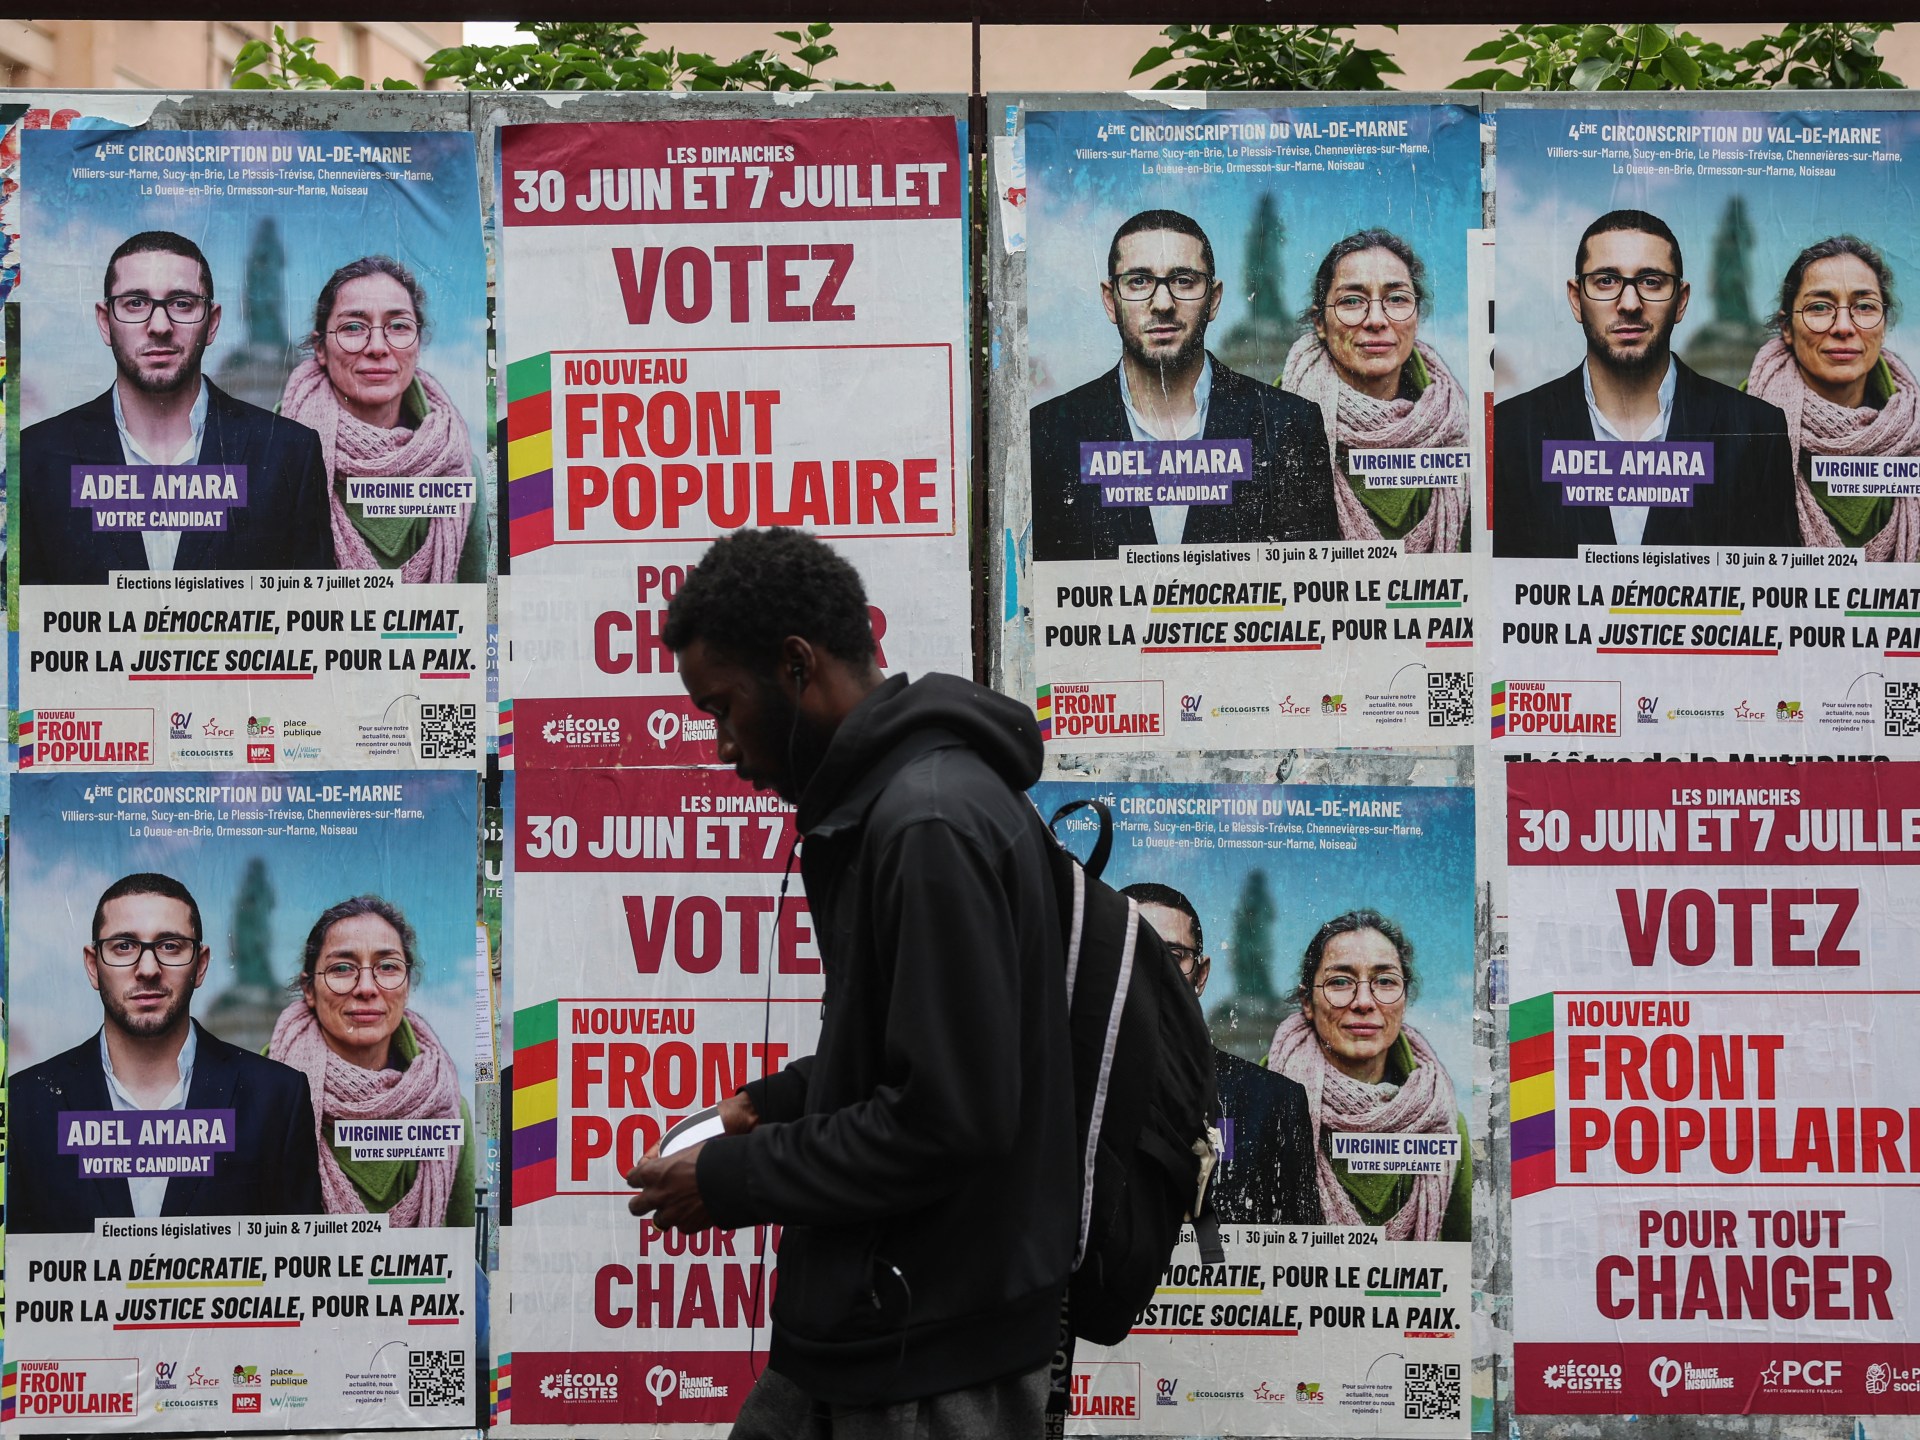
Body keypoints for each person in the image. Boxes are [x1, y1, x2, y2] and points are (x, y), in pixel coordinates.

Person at [629, 527, 1075, 1437]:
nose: (721, 748)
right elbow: (910, 1046)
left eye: (723, 708)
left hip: (933, 1361)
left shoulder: (929, 825)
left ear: (796, 665)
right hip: (876, 1329)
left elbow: (949, 1119)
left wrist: (734, 1178)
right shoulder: (897, 806)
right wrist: (776, 1101)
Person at [9, 873, 324, 1233]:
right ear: (93, 965)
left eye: (171, 946)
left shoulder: (277, 1098)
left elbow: (299, 1265)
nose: (147, 969)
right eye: (123, 946)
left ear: (201, 964)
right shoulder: (26, 1101)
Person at [20, 230, 335, 583]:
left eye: (182, 303)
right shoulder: (35, 458)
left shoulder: (289, 453)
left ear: (212, 322)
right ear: (104, 321)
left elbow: (313, 623)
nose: (159, 326)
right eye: (135, 303)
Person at [1030, 209, 1337, 560]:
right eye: (1139, 281)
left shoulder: (1288, 425)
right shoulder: (1048, 433)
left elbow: (1310, 592)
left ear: (1214, 299)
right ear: (1109, 299)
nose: (1162, 303)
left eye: (1184, 280)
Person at [1493, 208, 1798, 556]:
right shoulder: (1511, 431)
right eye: (1606, 280)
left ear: (1680, 301)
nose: (1629, 303)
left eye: (1651, 281)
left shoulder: (1756, 430)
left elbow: (1773, 598)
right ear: (1576, 299)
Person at [267, 895, 472, 1227]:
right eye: (342, 968)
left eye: (388, 967)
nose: (366, 988)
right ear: (309, 988)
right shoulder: (258, 1095)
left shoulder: (445, 1106)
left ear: (407, 984)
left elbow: (461, 1253)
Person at [1123, 882, 1321, 1226]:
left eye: (1171, 956)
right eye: (1129, 951)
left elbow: (1298, 1255)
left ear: (1200, 976)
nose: (1151, 972)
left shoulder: (1272, 1103)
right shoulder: (1059, 1095)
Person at [1265, 909, 1469, 1241]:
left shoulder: (1442, 1123)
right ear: (1307, 1001)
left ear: (1404, 998)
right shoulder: (1255, 1108)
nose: (1363, 1002)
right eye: (1340, 982)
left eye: (1385, 981)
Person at [279, 256, 484, 582]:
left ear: (418, 343)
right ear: (320, 347)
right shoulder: (271, 454)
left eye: (399, 326)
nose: (377, 347)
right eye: (353, 327)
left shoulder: (456, 465)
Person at [1281, 229, 1470, 552]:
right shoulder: (1274, 422)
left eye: (1397, 299)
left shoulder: (1457, 424)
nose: (1377, 319)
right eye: (1352, 301)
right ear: (1319, 323)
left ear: (1417, 315)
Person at [1744, 235, 1920, 560]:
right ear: (1787, 327)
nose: (1843, 326)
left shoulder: (1914, 430)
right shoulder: (1735, 427)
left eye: (1864, 307)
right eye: (1820, 307)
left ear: (1884, 323)